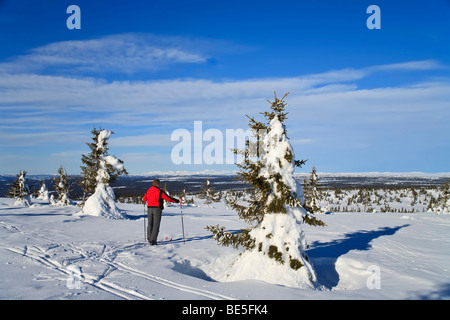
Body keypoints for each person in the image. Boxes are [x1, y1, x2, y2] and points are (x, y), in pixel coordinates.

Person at [142, 179, 181, 245]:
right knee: (156, 224)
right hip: (157, 208)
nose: (160, 185)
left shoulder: (148, 190)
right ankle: (153, 240)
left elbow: (144, 199)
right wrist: (177, 201)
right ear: (157, 184)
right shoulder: (159, 191)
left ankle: (149, 238)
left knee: (150, 223)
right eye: (159, 184)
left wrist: (144, 201)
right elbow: (168, 198)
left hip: (149, 208)